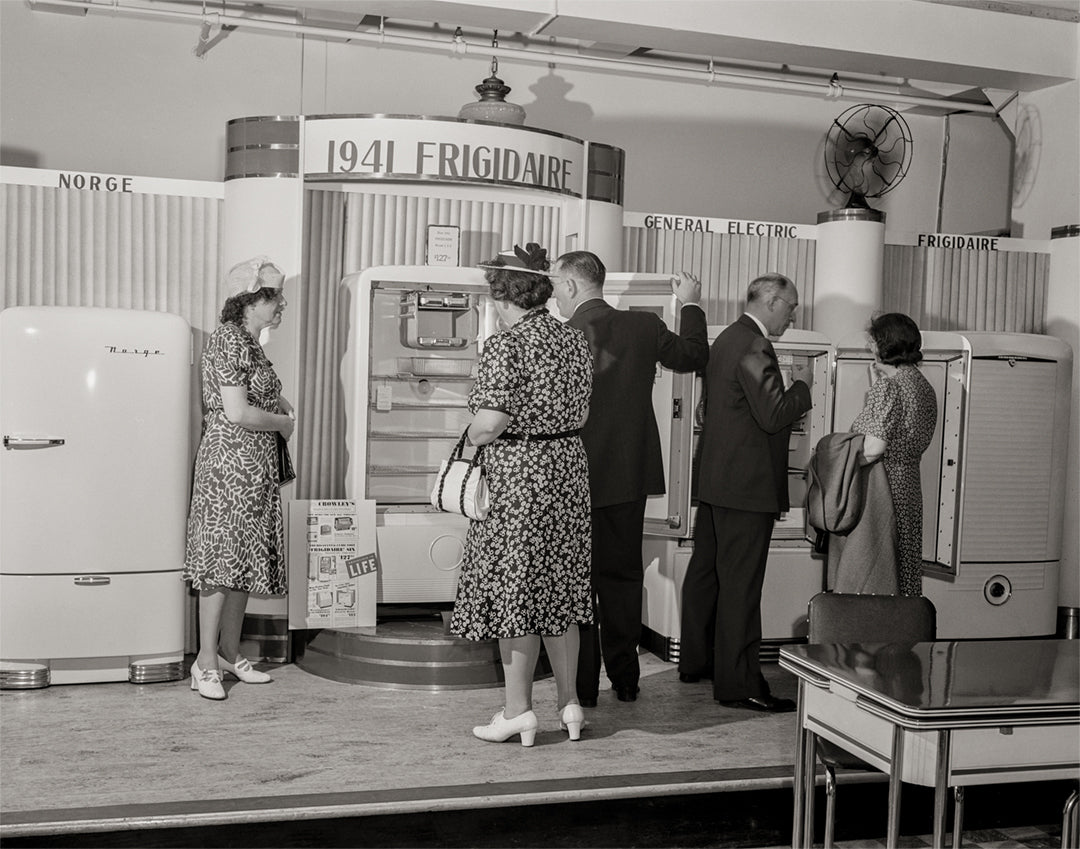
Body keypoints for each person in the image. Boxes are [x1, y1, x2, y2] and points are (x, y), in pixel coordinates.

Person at [450, 243, 593, 746]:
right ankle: (570, 705)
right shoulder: (573, 340)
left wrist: (467, 434)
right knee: (560, 592)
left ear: (500, 295)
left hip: (520, 475)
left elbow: (489, 424)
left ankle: (517, 712)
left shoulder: (505, 344)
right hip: (568, 473)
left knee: (518, 593)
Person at [551, 251, 709, 706]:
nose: (556, 296)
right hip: (628, 474)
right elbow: (694, 355)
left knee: (576, 584)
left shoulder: (562, 338)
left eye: (558, 285)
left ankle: (582, 690)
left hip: (572, 479)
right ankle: (625, 678)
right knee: (622, 578)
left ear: (574, 285)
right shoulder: (644, 328)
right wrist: (690, 303)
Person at [678, 272, 812, 713]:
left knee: (707, 575)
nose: (792, 318)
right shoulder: (755, 346)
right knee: (740, 587)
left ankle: (698, 661)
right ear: (771, 301)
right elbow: (774, 414)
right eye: (791, 308)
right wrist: (802, 388)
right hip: (746, 488)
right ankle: (739, 684)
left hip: (718, 482)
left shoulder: (726, 339)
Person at [183, 256, 295, 700]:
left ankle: (229, 652)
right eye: (275, 297)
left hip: (253, 470)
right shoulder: (230, 340)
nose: (282, 304)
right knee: (220, 562)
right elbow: (237, 412)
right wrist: (283, 423)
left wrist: (281, 405)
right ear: (250, 301)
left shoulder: (250, 343)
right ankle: (205, 661)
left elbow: (260, 394)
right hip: (229, 468)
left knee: (243, 562)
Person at [848, 312, 937, 597]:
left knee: (877, 570)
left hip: (882, 486)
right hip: (909, 485)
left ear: (884, 345)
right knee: (904, 569)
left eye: (873, 342)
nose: (870, 348)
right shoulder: (923, 386)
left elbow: (873, 448)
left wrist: (842, 463)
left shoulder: (889, 387)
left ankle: (872, 639)